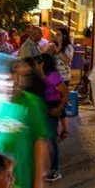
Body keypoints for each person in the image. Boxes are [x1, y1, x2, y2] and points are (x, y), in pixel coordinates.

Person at [0, 53, 50, 188]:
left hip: (22, 181)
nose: (11, 84)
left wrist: (39, 182)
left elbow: (40, 143)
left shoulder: (32, 104)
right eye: (4, 80)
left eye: (15, 78)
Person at [39, 54, 68, 182]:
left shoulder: (53, 76)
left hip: (52, 107)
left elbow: (65, 92)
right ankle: (46, 167)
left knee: (51, 139)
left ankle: (55, 170)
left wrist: (59, 109)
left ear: (44, 63)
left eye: (39, 62)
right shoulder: (38, 75)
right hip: (42, 108)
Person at [55, 28, 73, 93]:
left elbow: (67, 61)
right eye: (56, 34)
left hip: (64, 76)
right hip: (54, 76)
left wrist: (59, 52)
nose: (56, 36)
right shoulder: (53, 45)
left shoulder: (68, 47)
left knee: (62, 96)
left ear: (64, 36)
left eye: (58, 35)